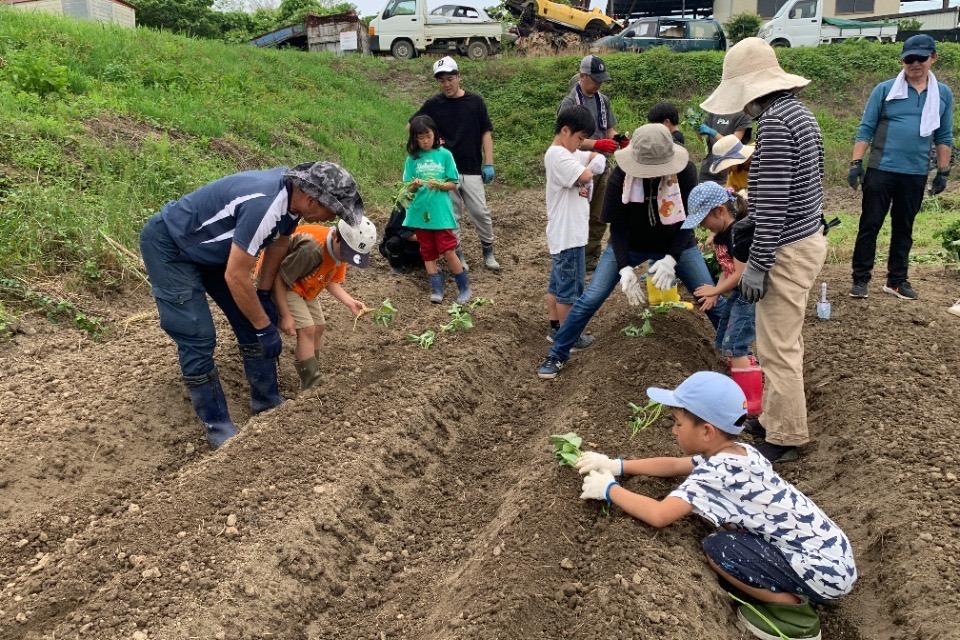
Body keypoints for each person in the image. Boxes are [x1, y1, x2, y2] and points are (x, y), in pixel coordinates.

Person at [575, 371, 857, 640]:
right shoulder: (742, 453)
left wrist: (610, 490)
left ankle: (795, 614)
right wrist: (617, 465)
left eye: (678, 423)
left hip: (822, 573)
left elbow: (660, 515)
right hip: (834, 556)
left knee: (720, 548)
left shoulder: (717, 472)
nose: (673, 430)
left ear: (707, 431)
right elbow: (674, 465)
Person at [139, 161, 364, 449]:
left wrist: (265, 294)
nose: (327, 219)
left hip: (212, 249)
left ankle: (267, 401)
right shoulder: (266, 204)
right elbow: (235, 275)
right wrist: (263, 326)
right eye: (330, 212)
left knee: (253, 315)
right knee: (197, 334)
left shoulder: (292, 202)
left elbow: (279, 245)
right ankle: (217, 425)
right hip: (172, 246)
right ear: (312, 199)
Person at [701, 37, 828, 463]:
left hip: (789, 247)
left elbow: (772, 205)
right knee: (777, 340)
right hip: (806, 237)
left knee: (778, 346)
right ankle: (772, 417)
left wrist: (757, 264)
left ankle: (787, 436)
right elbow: (799, 191)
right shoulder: (801, 115)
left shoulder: (775, 123)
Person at [537, 124, 726, 380]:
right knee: (591, 298)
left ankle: (738, 350)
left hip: (677, 244)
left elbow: (689, 219)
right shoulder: (621, 176)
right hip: (629, 244)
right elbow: (618, 227)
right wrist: (625, 267)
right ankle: (558, 353)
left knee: (710, 295)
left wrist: (671, 258)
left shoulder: (685, 172)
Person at [848, 34, 954, 301]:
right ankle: (860, 279)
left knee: (904, 227)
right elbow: (866, 128)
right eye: (909, 59)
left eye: (921, 58)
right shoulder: (885, 90)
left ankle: (896, 280)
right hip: (881, 169)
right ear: (902, 60)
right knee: (869, 224)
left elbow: (944, 135)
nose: (915, 63)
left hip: (916, 172)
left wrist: (943, 171)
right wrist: (856, 163)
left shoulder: (942, 94)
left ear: (933, 58)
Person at [412, 56, 500, 271]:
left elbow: (486, 133)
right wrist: (430, 145)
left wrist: (488, 162)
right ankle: (458, 255)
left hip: (471, 167)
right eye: (441, 81)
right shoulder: (434, 104)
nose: (446, 84)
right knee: (452, 216)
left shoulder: (475, 102)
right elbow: (413, 126)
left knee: (480, 211)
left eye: (450, 79)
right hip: (444, 172)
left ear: (459, 77)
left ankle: (488, 250)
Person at [267, 218, 376, 391]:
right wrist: (286, 315)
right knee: (307, 329)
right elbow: (280, 278)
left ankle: (311, 374)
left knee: (319, 326)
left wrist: (350, 302)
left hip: (304, 283)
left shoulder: (340, 254)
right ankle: (311, 384)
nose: (346, 259)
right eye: (347, 253)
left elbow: (330, 280)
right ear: (336, 237)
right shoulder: (312, 248)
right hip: (285, 283)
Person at [685, 182, 762, 415]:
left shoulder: (738, 234)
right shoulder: (720, 235)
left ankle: (751, 405)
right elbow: (727, 271)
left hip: (748, 296)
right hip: (736, 295)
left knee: (735, 344)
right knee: (723, 340)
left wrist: (715, 291)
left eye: (703, 220)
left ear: (719, 211)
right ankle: (744, 377)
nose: (701, 226)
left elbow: (740, 274)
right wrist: (714, 294)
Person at [544, 105, 605, 343]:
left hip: (567, 233)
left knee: (558, 285)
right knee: (569, 291)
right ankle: (570, 337)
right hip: (568, 234)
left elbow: (595, 158)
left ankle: (556, 328)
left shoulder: (568, 153)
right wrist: (591, 166)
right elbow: (587, 175)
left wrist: (593, 158)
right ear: (565, 131)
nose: (581, 144)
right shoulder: (557, 155)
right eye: (579, 138)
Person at [558, 54, 622, 271]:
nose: (598, 84)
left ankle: (591, 255)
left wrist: (616, 140)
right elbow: (567, 141)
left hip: (602, 165)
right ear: (583, 76)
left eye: (601, 80)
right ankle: (572, 254)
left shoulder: (603, 101)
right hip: (579, 166)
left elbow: (609, 129)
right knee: (577, 213)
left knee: (599, 213)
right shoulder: (569, 104)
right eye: (595, 80)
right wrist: (597, 145)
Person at [404, 115, 471, 304]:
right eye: (420, 137)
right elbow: (407, 186)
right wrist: (414, 185)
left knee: (449, 250)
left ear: (435, 134)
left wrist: (440, 185)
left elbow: (453, 183)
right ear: (414, 139)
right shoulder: (412, 159)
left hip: (440, 213)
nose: (425, 141)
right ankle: (436, 288)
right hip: (420, 212)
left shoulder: (444, 155)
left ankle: (464, 287)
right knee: (427, 252)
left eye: (428, 136)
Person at [697, 108, 753, 184]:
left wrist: (713, 133)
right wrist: (697, 129)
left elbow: (733, 144)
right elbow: (702, 138)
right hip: (708, 167)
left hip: (728, 169)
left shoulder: (742, 115)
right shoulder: (714, 112)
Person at [378, 203, 423, 274]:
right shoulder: (403, 204)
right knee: (393, 243)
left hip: (421, 246)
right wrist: (411, 236)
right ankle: (396, 266)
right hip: (403, 246)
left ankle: (424, 263)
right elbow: (392, 230)